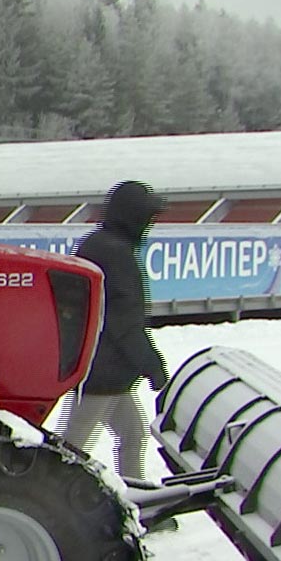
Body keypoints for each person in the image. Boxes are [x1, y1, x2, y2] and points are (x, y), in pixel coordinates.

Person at [59, 179, 170, 488]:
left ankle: (136, 500)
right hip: (104, 371)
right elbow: (125, 323)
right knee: (72, 448)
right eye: (148, 216)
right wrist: (153, 366)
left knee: (133, 434)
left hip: (102, 368)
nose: (151, 223)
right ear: (133, 216)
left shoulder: (97, 243)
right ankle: (52, 503)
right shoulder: (117, 255)